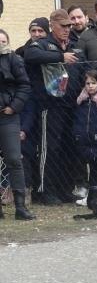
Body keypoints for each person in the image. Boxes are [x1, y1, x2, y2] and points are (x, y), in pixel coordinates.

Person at [24, 9, 83, 204]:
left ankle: (64, 190)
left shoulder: (75, 45)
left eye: (69, 26)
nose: (67, 29)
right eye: (63, 26)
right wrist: (61, 57)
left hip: (72, 105)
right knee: (51, 148)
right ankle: (44, 191)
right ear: (53, 26)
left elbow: (85, 68)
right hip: (50, 106)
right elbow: (30, 56)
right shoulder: (42, 44)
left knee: (69, 148)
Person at [0, 28, 35, 220]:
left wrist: (14, 107)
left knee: (14, 160)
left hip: (7, 118)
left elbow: (24, 85)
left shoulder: (14, 60)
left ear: (8, 42)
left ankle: (20, 207)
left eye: (2, 41)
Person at [16, 17, 49, 199]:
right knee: (27, 148)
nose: (36, 35)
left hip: (47, 104)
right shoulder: (22, 52)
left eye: (40, 31)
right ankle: (28, 188)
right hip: (28, 104)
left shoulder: (51, 49)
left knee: (44, 149)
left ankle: (43, 187)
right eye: (33, 31)